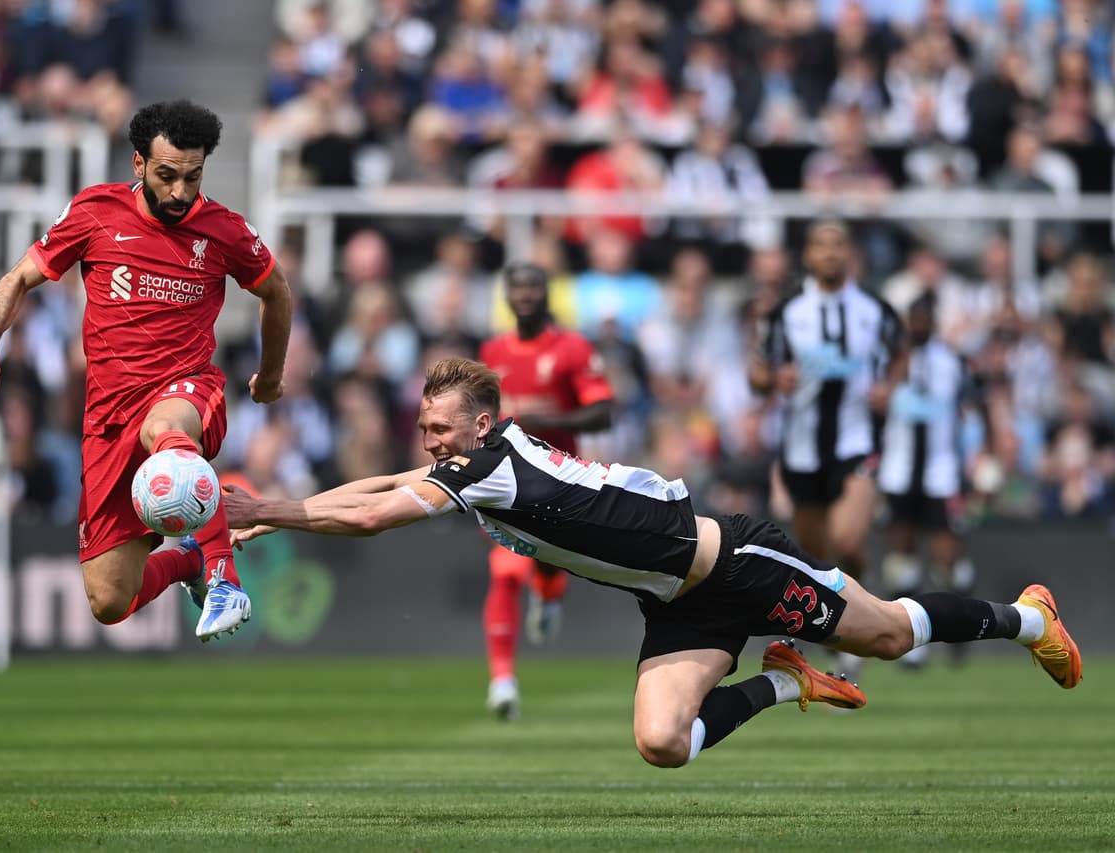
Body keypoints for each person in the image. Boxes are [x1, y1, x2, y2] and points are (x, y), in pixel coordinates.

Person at [224, 357, 1080, 769]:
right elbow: (383, 484)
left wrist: (265, 509)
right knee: (662, 742)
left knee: (888, 635)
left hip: (738, 563)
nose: (428, 440)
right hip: (680, 604)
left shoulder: (487, 467)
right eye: (423, 427)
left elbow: (373, 516)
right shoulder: (481, 461)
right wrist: (283, 506)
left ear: (480, 425)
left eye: (439, 427)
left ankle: (1029, 617)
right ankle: (786, 681)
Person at [0, 100, 292, 642]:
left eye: (193, 176)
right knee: (110, 600)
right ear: (139, 163)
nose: (180, 192)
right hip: (109, 419)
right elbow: (19, 277)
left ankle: (225, 579)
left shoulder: (225, 230)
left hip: (186, 390)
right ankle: (189, 561)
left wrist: (271, 374)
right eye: (167, 175)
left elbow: (276, 292)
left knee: (165, 431)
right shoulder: (95, 212)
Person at [748, 219, 905, 679]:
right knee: (817, 560)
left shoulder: (875, 310)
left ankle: (864, 610)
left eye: (839, 245)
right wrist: (773, 380)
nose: (831, 254)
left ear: (850, 254)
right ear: (808, 256)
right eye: (822, 245)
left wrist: (888, 386)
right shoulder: (786, 313)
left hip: (856, 441)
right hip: (802, 449)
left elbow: (901, 352)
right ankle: (846, 638)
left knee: (848, 540)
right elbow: (758, 373)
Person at [477, 262, 614, 720]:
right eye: (517, 287)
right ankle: (502, 681)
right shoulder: (491, 352)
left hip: (559, 480)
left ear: (546, 294)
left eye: (533, 287)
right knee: (504, 572)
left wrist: (544, 422)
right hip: (503, 481)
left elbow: (604, 412)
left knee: (548, 564)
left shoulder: (572, 348)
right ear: (507, 296)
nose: (525, 295)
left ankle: (551, 592)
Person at [876, 294, 975, 667]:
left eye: (923, 319)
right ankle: (912, 643)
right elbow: (875, 405)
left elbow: (972, 408)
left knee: (946, 559)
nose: (918, 325)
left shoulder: (952, 362)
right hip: (899, 471)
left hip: (940, 472)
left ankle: (962, 620)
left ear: (933, 321)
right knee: (902, 558)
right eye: (913, 319)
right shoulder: (890, 363)